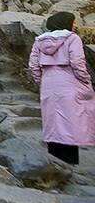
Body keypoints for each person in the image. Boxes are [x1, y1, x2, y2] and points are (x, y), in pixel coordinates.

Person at [29, 12, 95, 166]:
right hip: (69, 81)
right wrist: (85, 80)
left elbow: (33, 65)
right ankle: (70, 162)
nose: (75, 25)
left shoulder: (40, 40)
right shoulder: (72, 38)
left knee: (52, 121)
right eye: (73, 22)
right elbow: (78, 62)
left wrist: (41, 80)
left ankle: (55, 162)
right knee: (71, 121)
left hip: (48, 82)